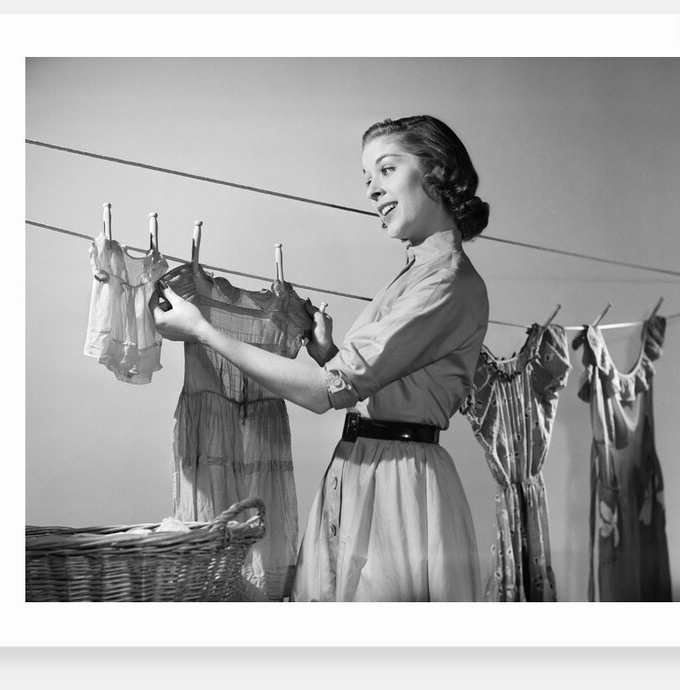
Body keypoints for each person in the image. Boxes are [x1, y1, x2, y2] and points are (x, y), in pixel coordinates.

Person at [153, 115, 490, 601]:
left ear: (435, 170)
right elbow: (385, 383)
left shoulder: (445, 282)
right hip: (366, 467)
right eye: (368, 178)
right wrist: (327, 351)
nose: (373, 189)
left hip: (399, 486)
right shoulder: (418, 273)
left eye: (386, 170)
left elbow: (327, 392)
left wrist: (204, 331)